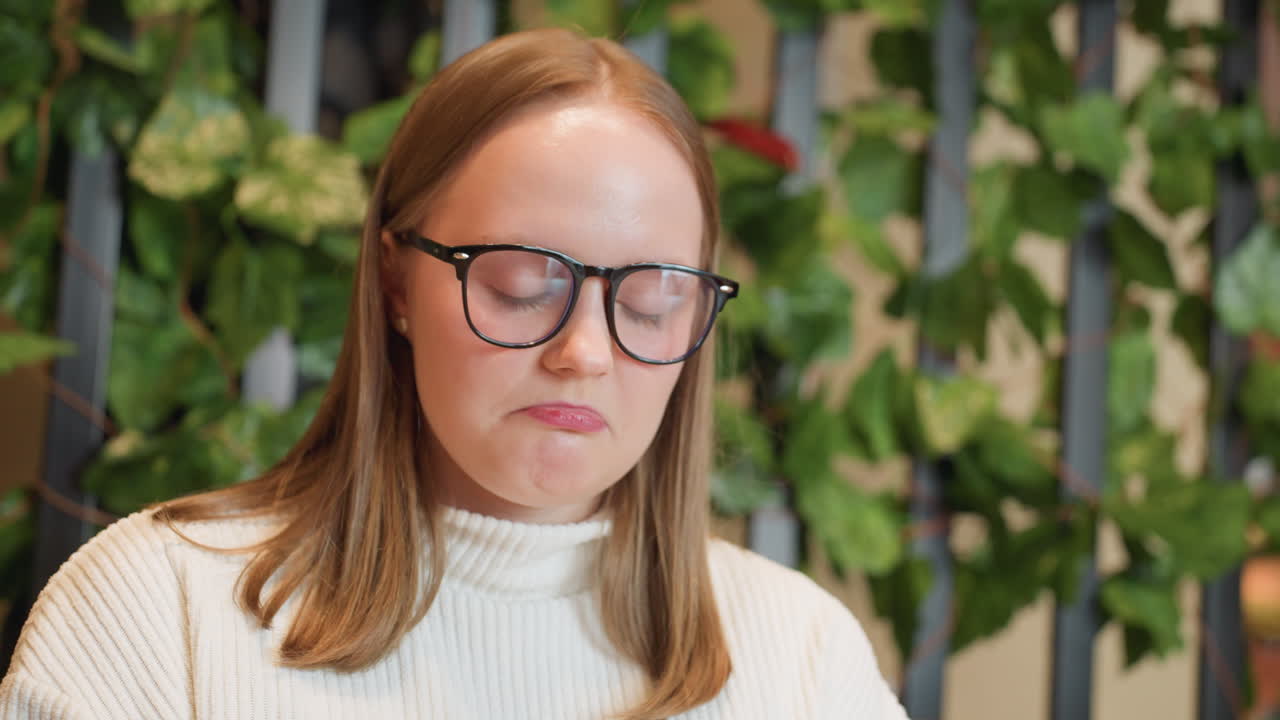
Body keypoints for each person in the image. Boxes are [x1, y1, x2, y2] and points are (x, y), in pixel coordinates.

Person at [0, 28, 909, 720]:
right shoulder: (158, 614)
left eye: (648, 301)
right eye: (522, 284)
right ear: (398, 282)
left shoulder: (802, 659)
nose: (584, 352)